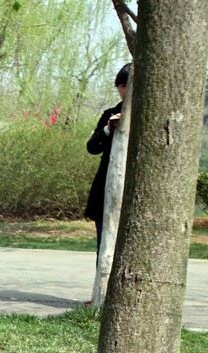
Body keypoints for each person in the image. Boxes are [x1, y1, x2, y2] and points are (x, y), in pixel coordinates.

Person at [86, 63, 130, 257]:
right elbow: (92, 147)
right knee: (104, 246)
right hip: (107, 185)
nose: (126, 90)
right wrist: (107, 129)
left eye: (130, 85)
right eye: (122, 86)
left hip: (132, 188)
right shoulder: (109, 114)